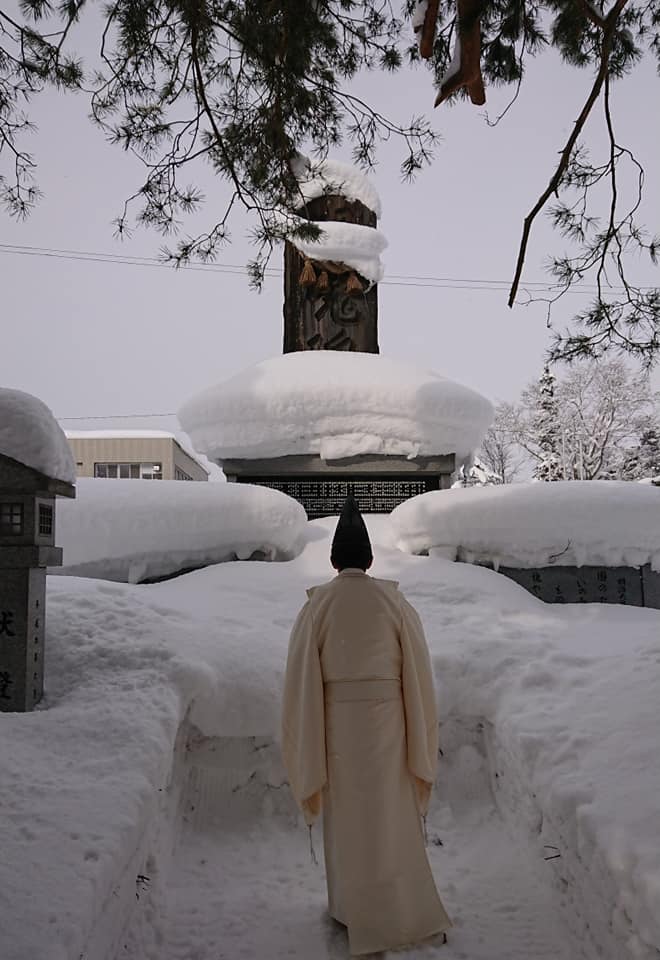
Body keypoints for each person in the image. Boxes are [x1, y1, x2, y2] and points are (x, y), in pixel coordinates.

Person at [281, 495, 451, 956]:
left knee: (348, 821)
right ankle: (396, 906)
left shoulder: (317, 606)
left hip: (339, 730)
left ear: (335, 559)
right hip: (389, 727)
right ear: (369, 558)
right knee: (389, 817)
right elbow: (417, 671)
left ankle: (351, 909)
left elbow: (301, 678)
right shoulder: (393, 602)